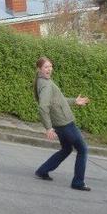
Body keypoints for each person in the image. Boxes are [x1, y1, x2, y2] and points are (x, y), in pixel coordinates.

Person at [33, 56, 91, 191]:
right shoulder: (46, 85)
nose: (49, 69)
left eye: (50, 66)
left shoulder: (43, 81)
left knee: (67, 149)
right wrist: (48, 128)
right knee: (82, 149)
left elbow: (57, 100)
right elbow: (43, 106)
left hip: (60, 123)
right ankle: (78, 182)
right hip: (65, 123)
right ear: (39, 69)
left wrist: (74, 101)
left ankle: (43, 170)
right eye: (46, 67)